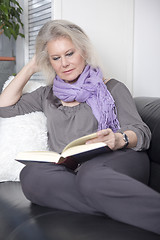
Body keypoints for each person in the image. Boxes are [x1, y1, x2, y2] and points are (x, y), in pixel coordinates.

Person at [0, 19, 160, 235]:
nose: (64, 63)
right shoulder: (47, 94)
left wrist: (118, 138)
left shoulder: (111, 87)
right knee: (31, 175)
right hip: (71, 169)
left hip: (118, 159)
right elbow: (4, 106)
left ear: (83, 51)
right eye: (56, 58)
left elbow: (141, 133)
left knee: (91, 176)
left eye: (69, 54)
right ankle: (110, 205)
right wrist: (30, 67)